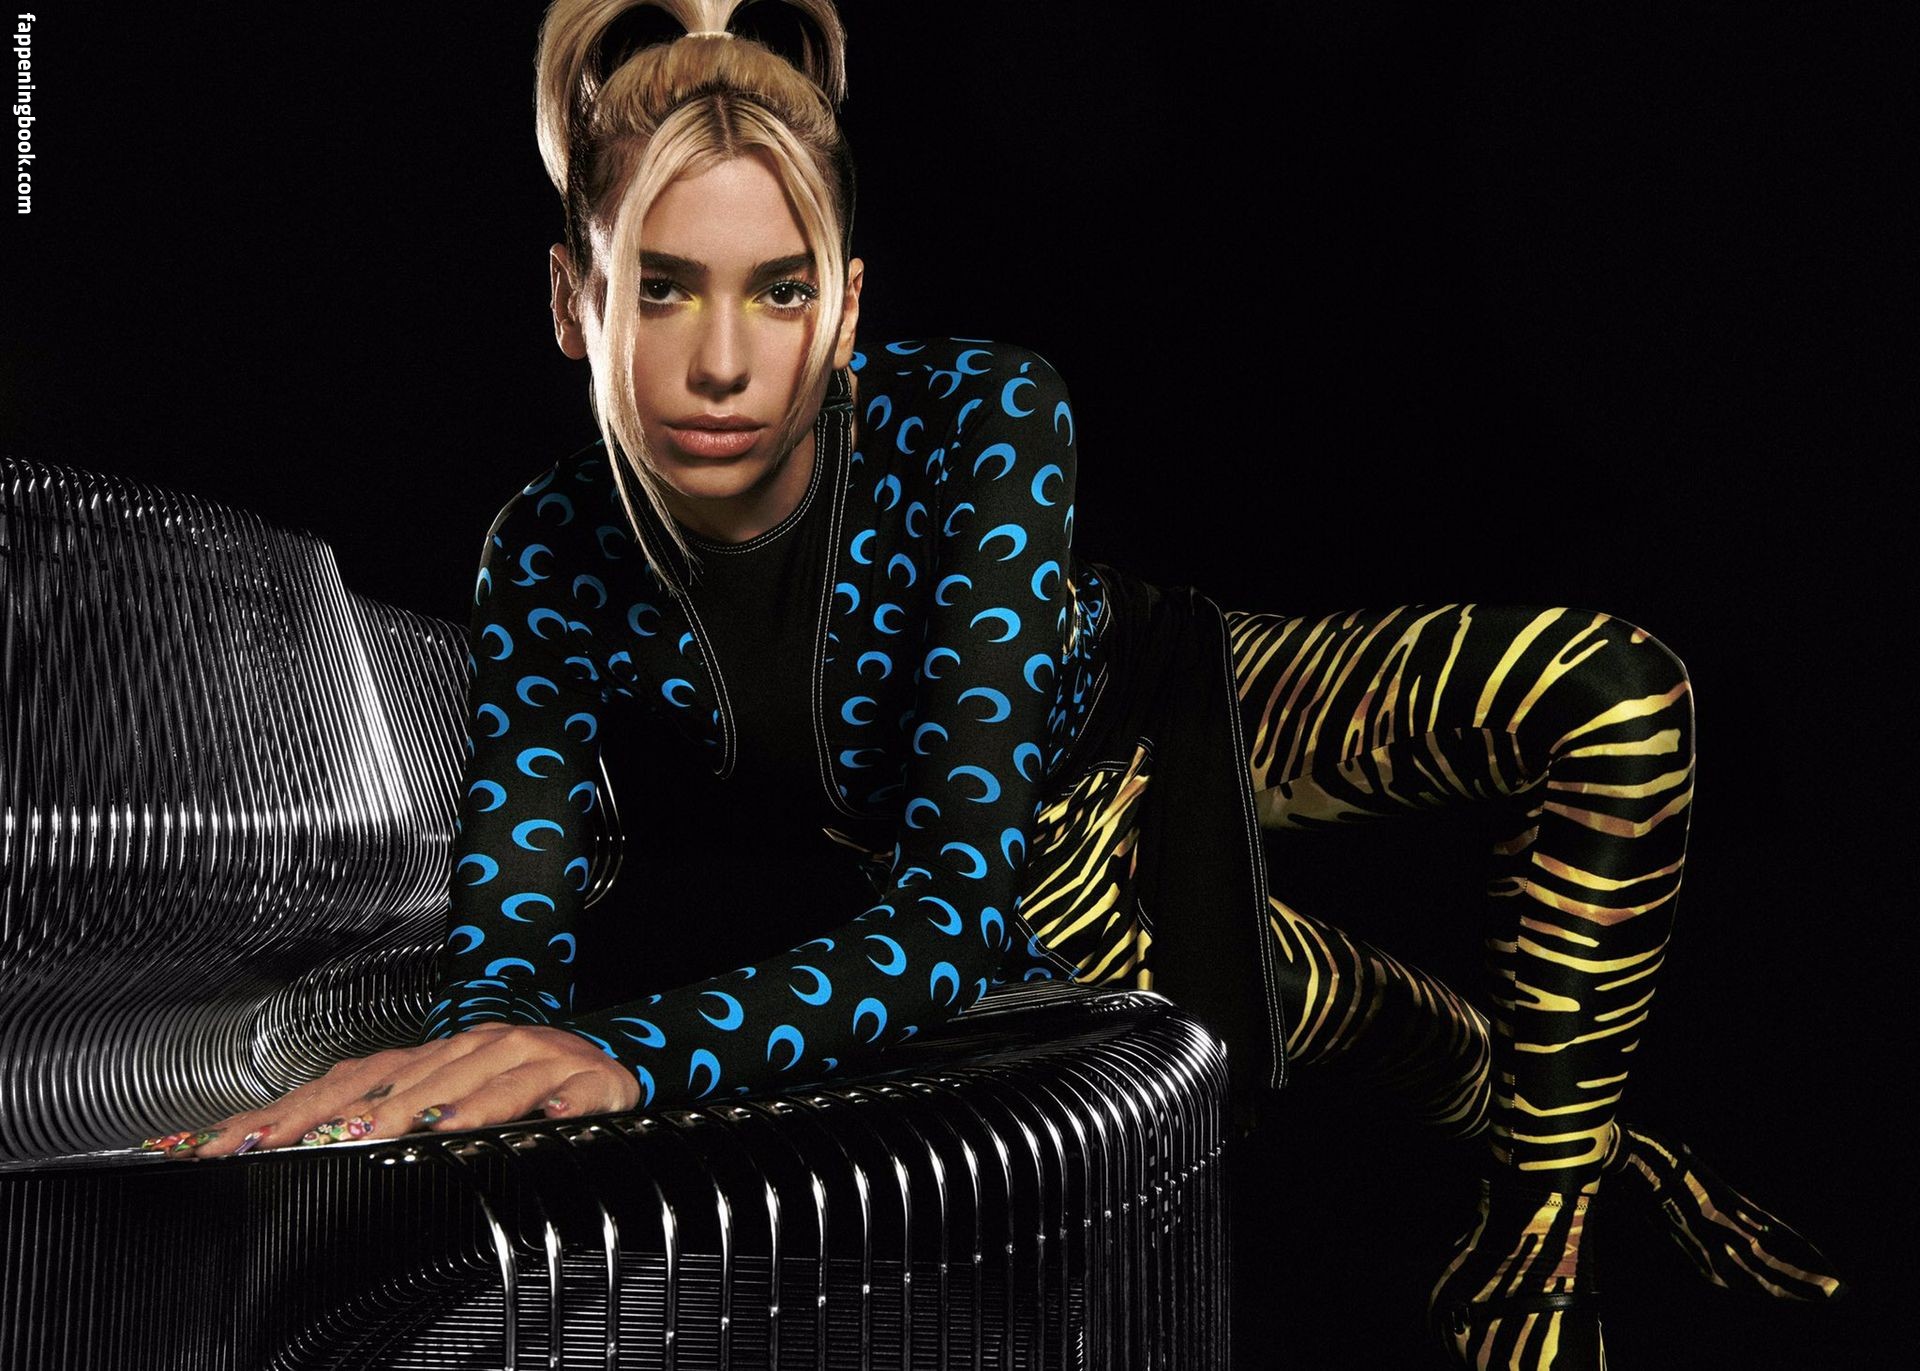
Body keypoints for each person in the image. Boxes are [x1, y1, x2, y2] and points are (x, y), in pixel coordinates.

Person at [149, 1, 1845, 1364]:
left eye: (778, 291)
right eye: (660, 290)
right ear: (571, 305)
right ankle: (1621, 1150)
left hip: (1140, 704)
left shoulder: (984, 411)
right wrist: (429, 1085)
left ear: (846, 309)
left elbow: (941, 905)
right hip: (1056, 891)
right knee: (1399, 1034)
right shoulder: (543, 549)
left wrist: (626, 1056)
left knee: (1617, 699)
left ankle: (1531, 1254)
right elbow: (509, 962)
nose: (724, 364)